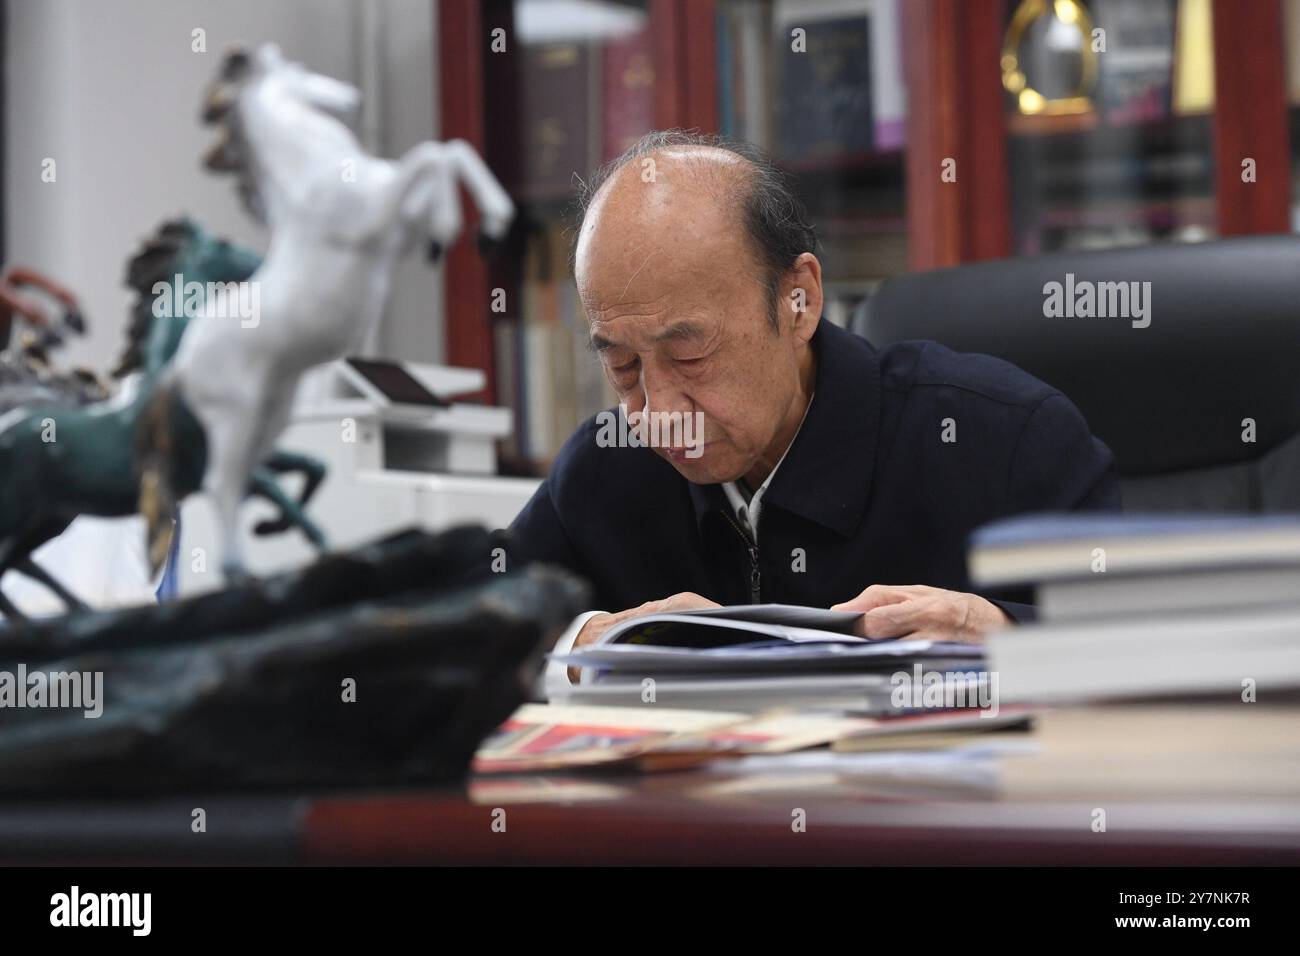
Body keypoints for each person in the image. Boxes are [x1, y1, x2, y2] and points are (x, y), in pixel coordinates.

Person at [505, 131, 1120, 695]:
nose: (659, 413)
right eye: (622, 366)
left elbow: (1153, 655)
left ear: (798, 300)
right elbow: (461, 617)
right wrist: (580, 640)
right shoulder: (605, 469)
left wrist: (1006, 635)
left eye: (690, 354)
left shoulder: (1005, 439)